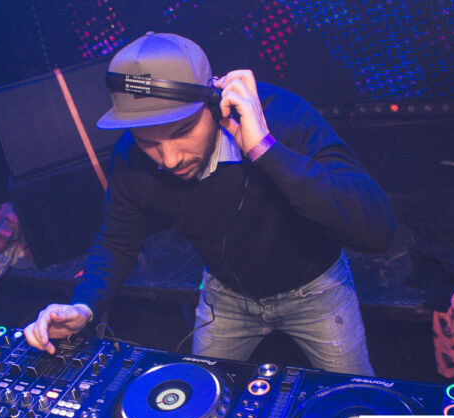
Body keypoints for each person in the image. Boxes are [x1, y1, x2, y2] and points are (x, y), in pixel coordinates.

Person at [24, 32, 395, 375]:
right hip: (226, 295)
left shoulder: (282, 116)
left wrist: (264, 149)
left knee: (356, 401)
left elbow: (377, 230)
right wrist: (83, 306)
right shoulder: (129, 158)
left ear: (215, 104)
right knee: (197, 397)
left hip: (316, 290)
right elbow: (116, 242)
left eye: (183, 131)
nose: (169, 159)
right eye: (148, 141)